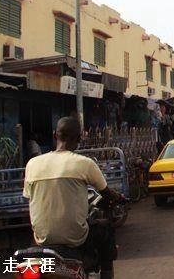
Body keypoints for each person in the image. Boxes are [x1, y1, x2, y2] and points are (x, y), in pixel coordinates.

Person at [23, 117, 124, 279]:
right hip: (75, 238)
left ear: (55, 135)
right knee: (105, 228)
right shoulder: (84, 163)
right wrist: (119, 198)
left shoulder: (32, 164)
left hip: (42, 239)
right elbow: (107, 193)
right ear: (79, 138)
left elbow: (29, 197)